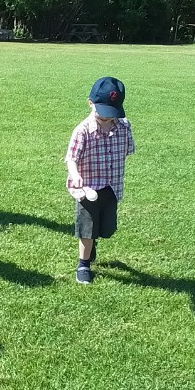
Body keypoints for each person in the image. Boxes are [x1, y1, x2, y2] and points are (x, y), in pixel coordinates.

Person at [65, 76, 135, 284]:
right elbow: (71, 158)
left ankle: (92, 242)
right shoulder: (83, 131)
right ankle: (83, 265)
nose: (106, 119)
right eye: (102, 114)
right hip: (87, 189)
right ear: (90, 103)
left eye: (110, 115)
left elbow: (128, 150)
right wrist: (76, 175)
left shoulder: (124, 127)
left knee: (106, 229)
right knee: (87, 227)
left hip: (111, 186)